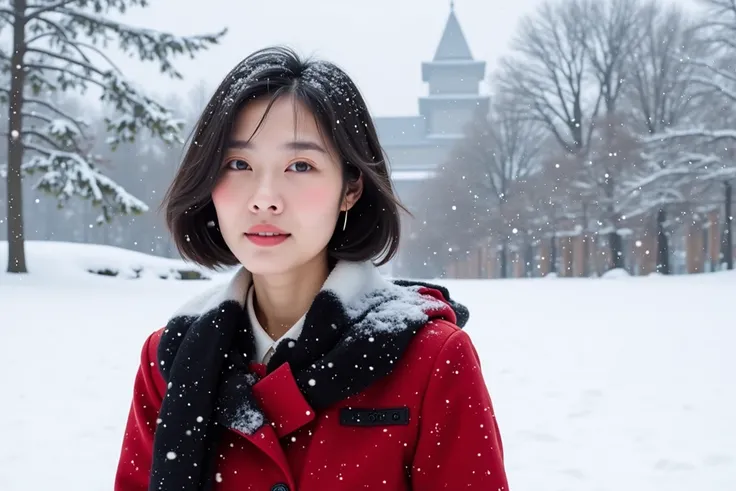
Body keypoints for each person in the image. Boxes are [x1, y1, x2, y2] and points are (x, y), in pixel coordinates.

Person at [114, 46, 509, 491]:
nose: (265, 197)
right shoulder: (171, 358)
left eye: (300, 165)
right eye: (238, 164)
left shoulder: (432, 359)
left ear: (351, 188)